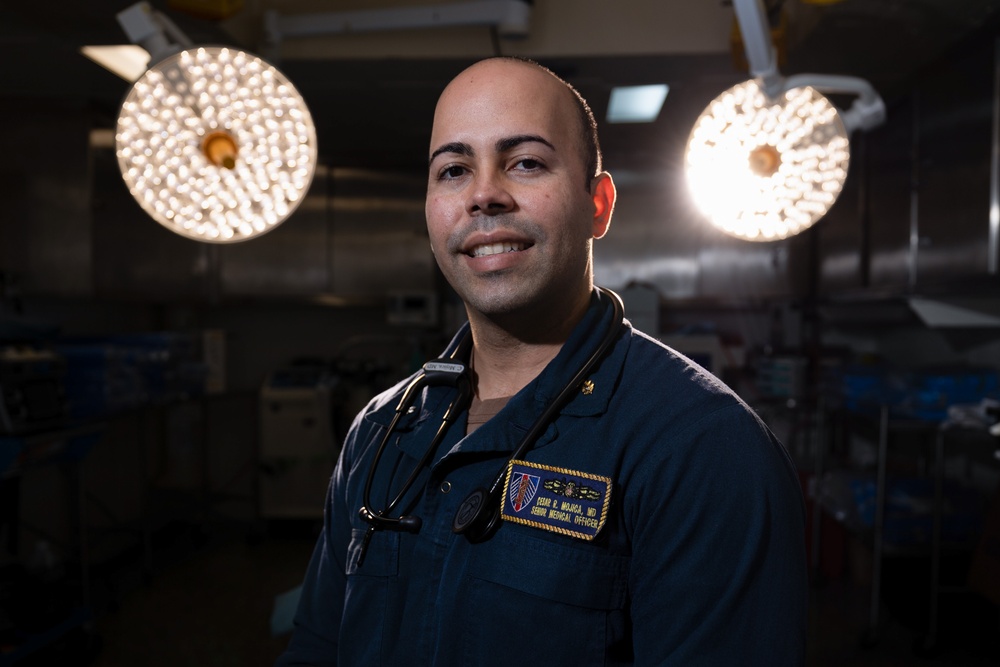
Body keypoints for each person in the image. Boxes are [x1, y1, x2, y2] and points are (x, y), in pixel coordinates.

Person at [276, 56, 807, 666]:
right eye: (453, 170)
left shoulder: (703, 449)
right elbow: (318, 647)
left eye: (526, 162)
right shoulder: (381, 430)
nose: (483, 196)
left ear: (598, 205)